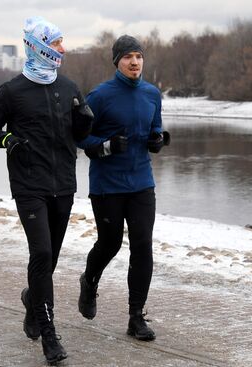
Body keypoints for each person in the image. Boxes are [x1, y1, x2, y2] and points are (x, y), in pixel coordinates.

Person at [0, 16, 93, 364]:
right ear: (39, 45)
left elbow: (80, 137)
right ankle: (49, 335)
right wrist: (7, 139)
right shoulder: (12, 91)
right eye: (57, 42)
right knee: (42, 253)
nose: (63, 49)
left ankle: (33, 299)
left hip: (64, 185)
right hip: (29, 185)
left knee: (50, 258)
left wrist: (85, 121)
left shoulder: (69, 87)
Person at [76, 35, 170, 342]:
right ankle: (89, 282)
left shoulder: (152, 94)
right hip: (108, 185)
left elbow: (154, 133)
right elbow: (81, 140)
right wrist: (106, 145)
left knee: (142, 245)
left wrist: (158, 141)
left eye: (139, 57)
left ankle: (136, 317)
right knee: (110, 243)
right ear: (117, 61)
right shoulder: (101, 96)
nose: (134, 62)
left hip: (141, 182)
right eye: (128, 56)